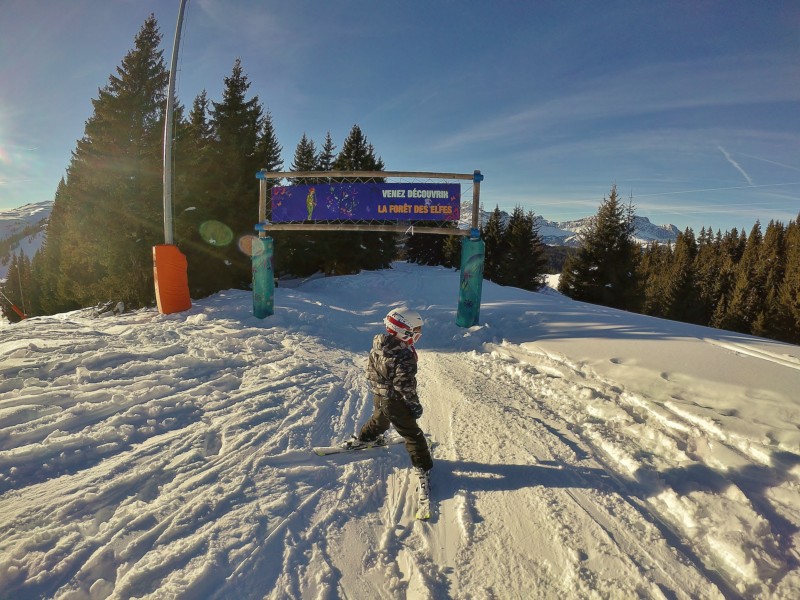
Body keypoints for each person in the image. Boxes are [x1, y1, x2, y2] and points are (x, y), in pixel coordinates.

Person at [346, 307, 433, 500]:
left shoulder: (379, 346)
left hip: (380, 395)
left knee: (380, 420)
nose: (419, 334)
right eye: (416, 330)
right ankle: (423, 467)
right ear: (404, 331)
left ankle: (366, 438)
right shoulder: (404, 355)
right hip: (395, 401)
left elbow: (370, 371)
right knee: (413, 434)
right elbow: (404, 385)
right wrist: (413, 403)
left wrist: (381, 389)